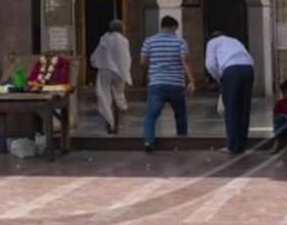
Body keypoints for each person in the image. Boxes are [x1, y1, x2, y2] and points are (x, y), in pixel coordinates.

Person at [138, 15, 194, 152]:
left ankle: (148, 141)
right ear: (173, 27)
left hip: (156, 84)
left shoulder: (149, 41)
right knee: (180, 115)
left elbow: (142, 63)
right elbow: (185, 61)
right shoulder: (180, 42)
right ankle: (182, 141)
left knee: (151, 115)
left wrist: (148, 73)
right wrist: (191, 80)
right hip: (176, 84)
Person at [205, 30, 255, 155]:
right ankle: (241, 144)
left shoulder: (212, 43)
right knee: (244, 108)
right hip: (248, 69)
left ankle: (232, 145)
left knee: (231, 109)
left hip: (231, 70)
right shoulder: (234, 40)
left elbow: (210, 65)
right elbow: (248, 57)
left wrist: (220, 78)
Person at [89, 19, 131, 134]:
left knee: (105, 97)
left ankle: (109, 124)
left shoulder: (104, 39)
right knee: (119, 96)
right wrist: (126, 74)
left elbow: (96, 56)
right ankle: (116, 126)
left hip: (106, 70)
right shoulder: (124, 40)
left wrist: (95, 64)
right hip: (119, 72)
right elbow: (125, 58)